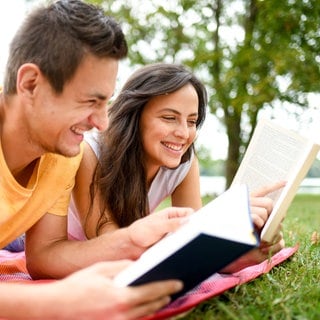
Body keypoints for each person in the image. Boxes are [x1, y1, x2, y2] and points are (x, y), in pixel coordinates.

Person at [0, 1, 188, 318]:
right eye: (91, 101)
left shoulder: (61, 156)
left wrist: (130, 241)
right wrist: (53, 303)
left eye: (107, 103)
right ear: (31, 83)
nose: (101, 123)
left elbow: (46, 254)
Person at [68, 63, 285, 272]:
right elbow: (108, 240)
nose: (183, 133)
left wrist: (236, 255)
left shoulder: (183, 161)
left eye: (192, 121)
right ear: (134, 116)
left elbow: (193, 240)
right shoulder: (89, 152)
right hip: (77, 257)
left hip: (128, 254)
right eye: (170, 118)